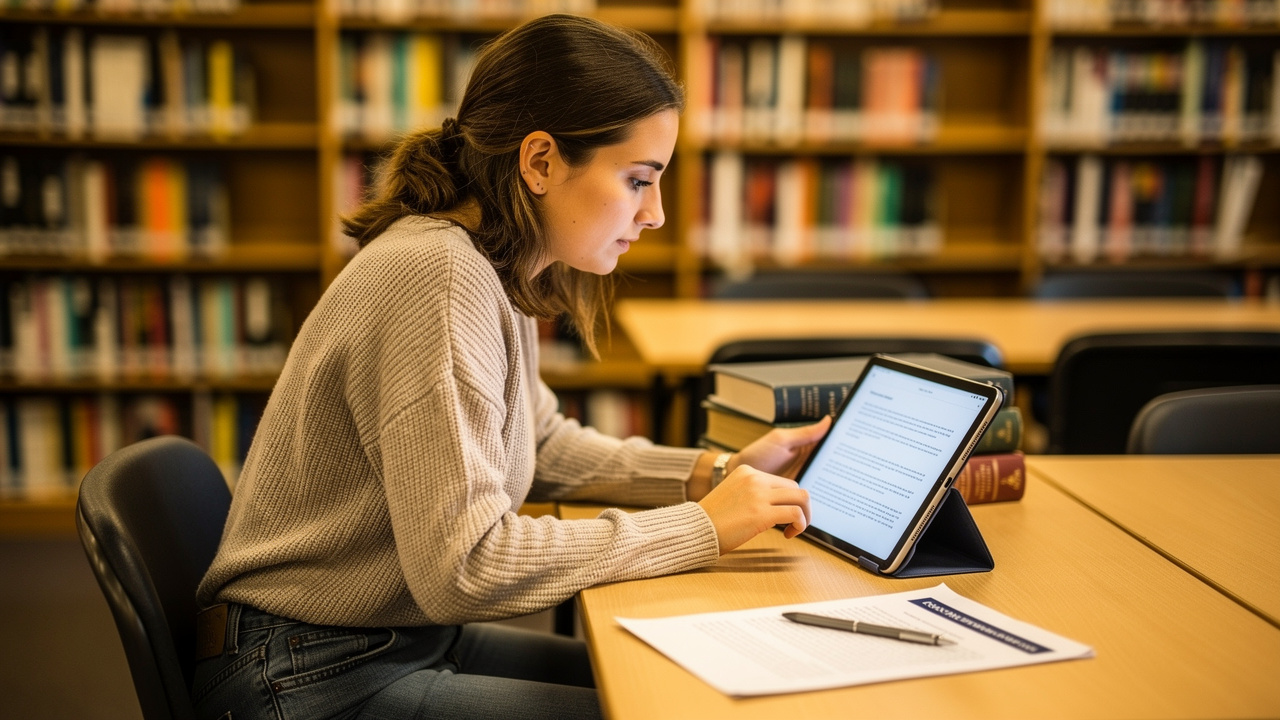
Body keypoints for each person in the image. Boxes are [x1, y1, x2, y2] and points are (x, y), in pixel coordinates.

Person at [192, 14, 830, 720]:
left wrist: (711, 474)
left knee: (675, 686)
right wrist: (702, 528)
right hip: (306, 671)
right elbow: (467, 566)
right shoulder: (437, 276)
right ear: (540, 162)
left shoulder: (485, 262)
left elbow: (540, 440)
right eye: (638, 180)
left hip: (385, 639)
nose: (655, 216)